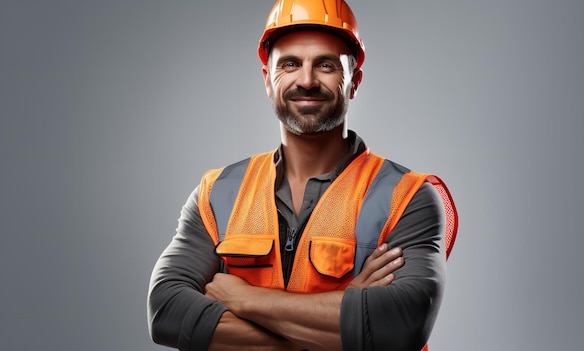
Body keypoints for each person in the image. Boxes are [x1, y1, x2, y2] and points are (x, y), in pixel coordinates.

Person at [147, 0, 458, 350]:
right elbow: (166, 311)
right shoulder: (217, 194)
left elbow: (400, 326)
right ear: (268, 79)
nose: (307, 80)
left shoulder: (408, 197)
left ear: (354, 82)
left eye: (325, 65)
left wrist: (246, 300)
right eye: (290, 64)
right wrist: (344, 316)